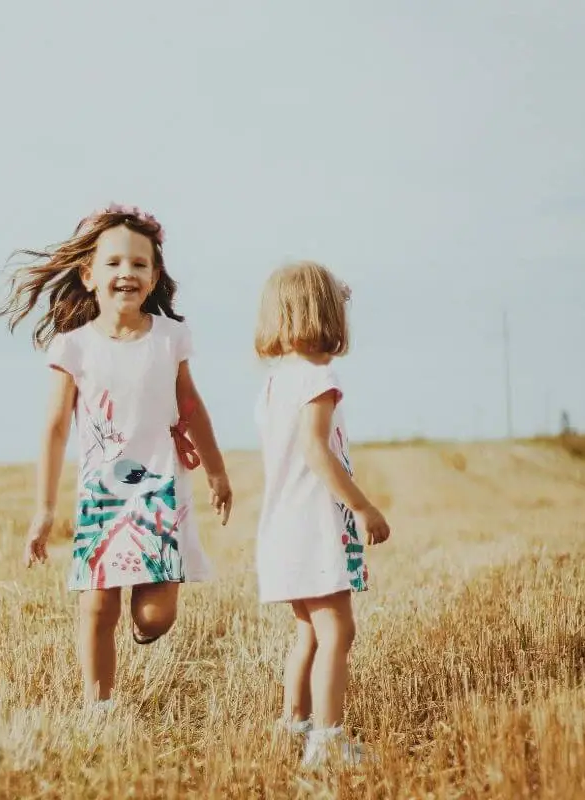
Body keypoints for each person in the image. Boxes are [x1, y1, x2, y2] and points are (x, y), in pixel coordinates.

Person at [0, 203, 233, 708]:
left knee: (154, 617)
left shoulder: (170, 338)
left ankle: (145, 629)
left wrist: (217, 471)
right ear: (88, 275)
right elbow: (56, 429)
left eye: (140, 264)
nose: (127, 272)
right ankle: (98, 707)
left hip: (161, 492)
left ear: (154, 277)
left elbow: (191, 408)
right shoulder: (73, 347)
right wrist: (43, 510)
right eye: (114, 263)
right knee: (98, 608)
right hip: (101, 495)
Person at [253, 261, 391, 768]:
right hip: (314, 526)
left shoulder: (276, 382)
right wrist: (363, 505)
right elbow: (316, 450)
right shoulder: (319, 378)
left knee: (309, 631)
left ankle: (294, 726)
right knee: (337, 632)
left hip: (283, 527)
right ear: (325, 315)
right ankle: (327, 742)